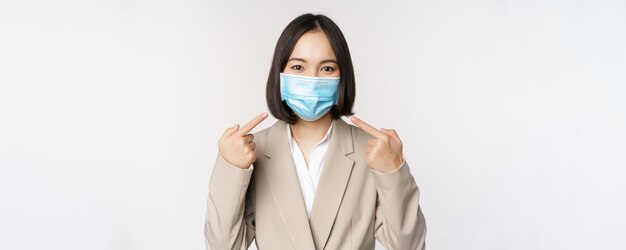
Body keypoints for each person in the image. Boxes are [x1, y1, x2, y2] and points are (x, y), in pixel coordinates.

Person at [205, 13, 426, 250]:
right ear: (280, 74)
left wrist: (394, 172)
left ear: (343, 77)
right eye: (298, 66)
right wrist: (230, 168)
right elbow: (222, 246)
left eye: (327, 68)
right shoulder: (251, 153)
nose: (312, 79)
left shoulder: (372, 152)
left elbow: (410, 245)